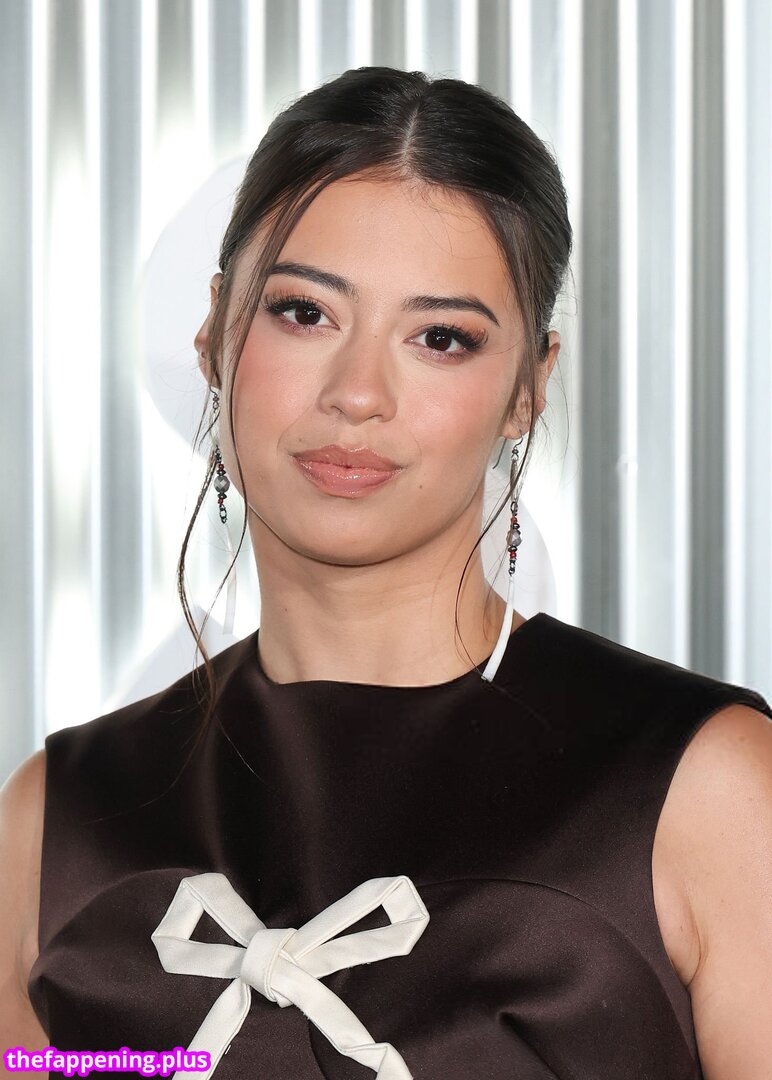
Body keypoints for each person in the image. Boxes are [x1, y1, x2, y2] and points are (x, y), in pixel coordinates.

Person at [2, 66, 771, 1080]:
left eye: (441, 337)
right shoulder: (54, 821)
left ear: (527, 388)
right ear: (214, 332)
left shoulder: (705, 791)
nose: (358, 393)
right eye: (303, 313)